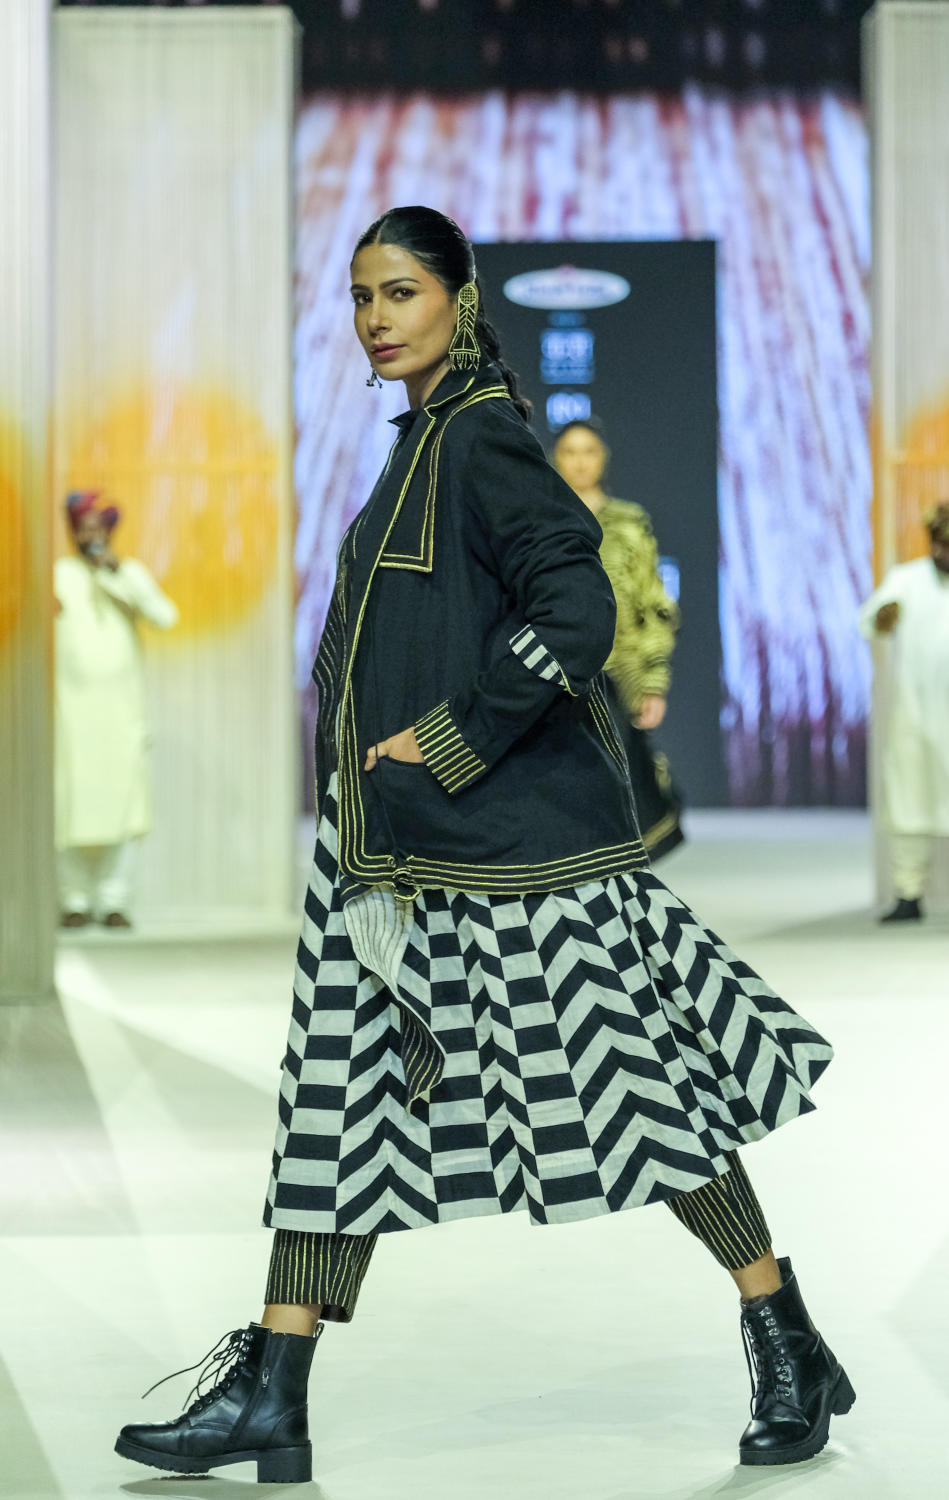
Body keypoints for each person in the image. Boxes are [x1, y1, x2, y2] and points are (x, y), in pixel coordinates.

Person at [115, 207, 852, 1483]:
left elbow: (580, 605)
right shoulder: (423, 442)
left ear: (460, 298)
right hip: (390, 855)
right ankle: (273, 1391)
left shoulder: (483, 436)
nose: (376, 317)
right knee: (333, 1113)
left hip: (510, 859)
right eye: (361, 297)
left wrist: (451, 736)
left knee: (641, 1101)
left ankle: (783, 1332)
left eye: (400, 291)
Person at [859, 498, 949, 923]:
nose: (941, 552)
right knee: (910, 799)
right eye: (936, 543)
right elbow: (869, 621)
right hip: (916, 715)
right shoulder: (907, 580)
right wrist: (883, 619)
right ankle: (908, 893)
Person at [552, 418, 684, 859]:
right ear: (555, 458)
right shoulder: (540, 517)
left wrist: (653, 682)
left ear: (603, 458)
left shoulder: (629, 522)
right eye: (570, 452)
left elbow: (653, 604)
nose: (579, 462)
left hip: (616, 678)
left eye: (589, 451)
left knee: (624, 795)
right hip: (552, 675)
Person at [54, 491, 178, 929]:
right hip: (70, 714)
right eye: (82, 527)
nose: (89, 535)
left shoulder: (129, 572)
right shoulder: (59, 575)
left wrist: (118, 574)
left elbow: (165, 617)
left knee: (124, 808)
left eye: (97, 527)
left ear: (108, 531)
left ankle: (113, 899)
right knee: (71, 808)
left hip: (122, 715)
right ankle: (73, 899)